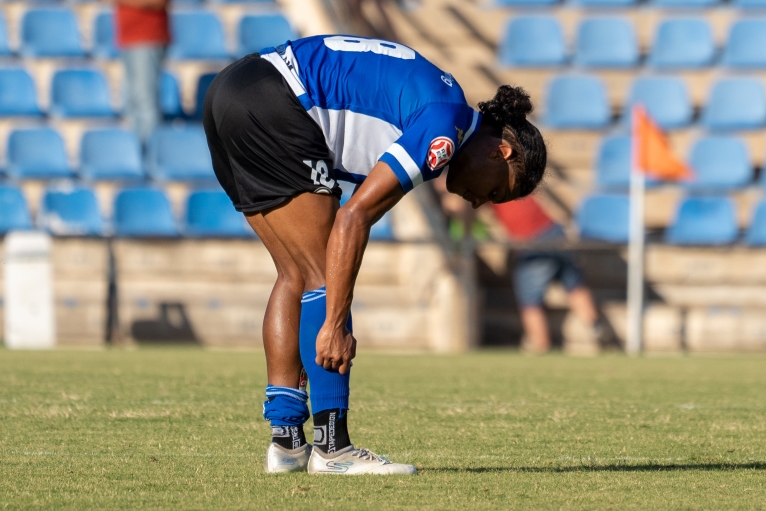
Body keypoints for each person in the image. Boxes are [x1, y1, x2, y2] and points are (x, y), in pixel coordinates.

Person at [201, 35, 547, 475]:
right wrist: (333, 325)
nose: (481, 202)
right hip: (275, 98)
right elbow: (353, 218)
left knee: (294, 274)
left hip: (233, 89)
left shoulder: (442, 102)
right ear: (503, 151)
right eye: (496, 190)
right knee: (322, 276)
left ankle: (286, 442)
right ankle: (332, 448)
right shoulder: (448, 126)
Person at [492, 198, 608, 353]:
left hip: (531, 240)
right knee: (573, 284)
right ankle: (596, 329)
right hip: (554, 230)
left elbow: (458, 203)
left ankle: (539, 345)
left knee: (530, 301)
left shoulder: (478, 181)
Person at [97, 0, 169, 146]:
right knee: (131, 99)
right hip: (129, 40)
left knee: (144, 98)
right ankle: (135, 151)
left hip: (146, 38)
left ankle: (150, 151)